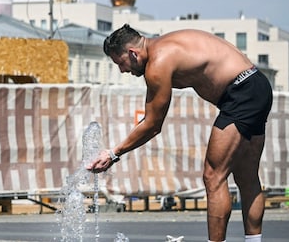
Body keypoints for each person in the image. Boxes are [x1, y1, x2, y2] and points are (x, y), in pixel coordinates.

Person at [86, 24, 273, 242]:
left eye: (120, 63)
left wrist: (112, 153)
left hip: (241, 94)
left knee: (213, 176)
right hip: (256, 84)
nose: (122, 70)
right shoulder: (164, 46)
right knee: (247, 176)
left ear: (133, 53)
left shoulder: (158, 62)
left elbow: (153, 125)